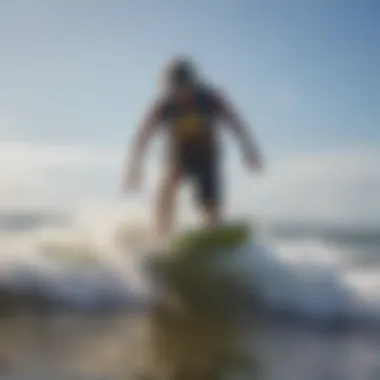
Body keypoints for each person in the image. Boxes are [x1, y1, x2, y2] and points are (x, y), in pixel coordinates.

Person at [123, 57, 262, 238]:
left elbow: (235, 122)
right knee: (167, 185)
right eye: (175, 89)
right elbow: (143, 136)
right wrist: (135, 167)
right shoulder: (164, 106)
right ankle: (160, 233)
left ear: (193, 83)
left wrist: (249, 150)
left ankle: (212, 233)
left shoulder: (210, 99)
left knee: (209, 202)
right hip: (179, 154)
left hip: (206, 155)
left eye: (184, 87)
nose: (181, 94)